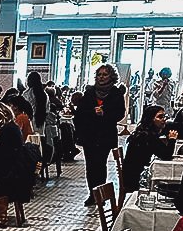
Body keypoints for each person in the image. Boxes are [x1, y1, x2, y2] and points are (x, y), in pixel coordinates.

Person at [72, 63, 127, 201]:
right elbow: (80, 114)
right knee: (90, 166)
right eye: (99, 74)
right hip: (89, 135)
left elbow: (120, 113)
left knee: (100, 164)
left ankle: (100, 194)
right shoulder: (89, 92)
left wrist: (105, 113)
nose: (101, 77)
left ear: (111, 76)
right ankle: (92, 193)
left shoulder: (116, 94)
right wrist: (92, 113)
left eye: (105, 74)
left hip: (105, 136)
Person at [121, 105, 176, 192]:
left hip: (134, 173)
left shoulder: (145, 132)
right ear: (150, 119)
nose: (164, 120)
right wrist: (172, 139)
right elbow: (166, 155)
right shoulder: (147, 136)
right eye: (160, 117)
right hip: (135, 178)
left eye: (164, 117)